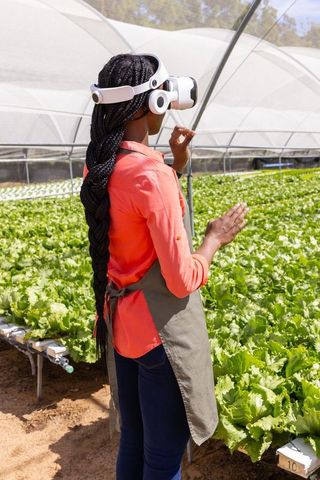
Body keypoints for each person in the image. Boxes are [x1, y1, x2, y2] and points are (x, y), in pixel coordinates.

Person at [81, 54, 248, 480]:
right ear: (153, 103)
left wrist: (177, 163)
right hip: (159, 339)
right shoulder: (149, 177)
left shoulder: (99, 167)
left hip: (122, 327)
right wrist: (213, 241)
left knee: (134, 442)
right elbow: (180, 280)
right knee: (162, 460)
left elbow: (136, 213)